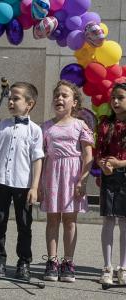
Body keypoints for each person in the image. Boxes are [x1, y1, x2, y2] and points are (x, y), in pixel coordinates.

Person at [40, 80, 94, 283]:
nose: (59, 98)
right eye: (56, 95)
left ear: (75, 102)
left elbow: (88, 156)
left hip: (73, 176)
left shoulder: (80, 125)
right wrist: (37, 184)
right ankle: (52, 261)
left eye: (64, 95)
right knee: (52, 219)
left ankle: (68, 261)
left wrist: (83, 179)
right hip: (52, 174)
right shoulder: (46, 126)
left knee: (70, 220)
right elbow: (42, 157)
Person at [0, 82, 44, 281]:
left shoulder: (35, 130)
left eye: (16, 98)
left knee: (24, 225)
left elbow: (37, 159)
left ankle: (24, 262)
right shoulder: (1, 125)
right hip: (1, 182)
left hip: (23, 184)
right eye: (9, 98)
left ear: (29, 104)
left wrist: (34, 186)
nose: (11, 102)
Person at [96, 82, 126, 285]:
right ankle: (107, 267)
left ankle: (123, 268)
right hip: (109, 176)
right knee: (108, 220)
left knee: (124, 223)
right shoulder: (105, 123)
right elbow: (98, 151)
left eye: (121, 97)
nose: (115, 101)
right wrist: (103, 164)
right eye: (113, 97)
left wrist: (119, 163)